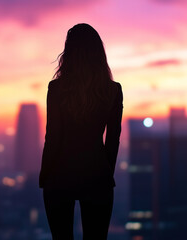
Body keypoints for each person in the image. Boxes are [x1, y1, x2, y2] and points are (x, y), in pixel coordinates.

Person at [39, 23, 123, 240]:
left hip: (59, 173)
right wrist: (106, 174)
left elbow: (53, 136)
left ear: (69, 53)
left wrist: (45, 175)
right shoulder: (113, 90)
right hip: (97, 175)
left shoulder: (56, 89)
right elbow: (113, 140)